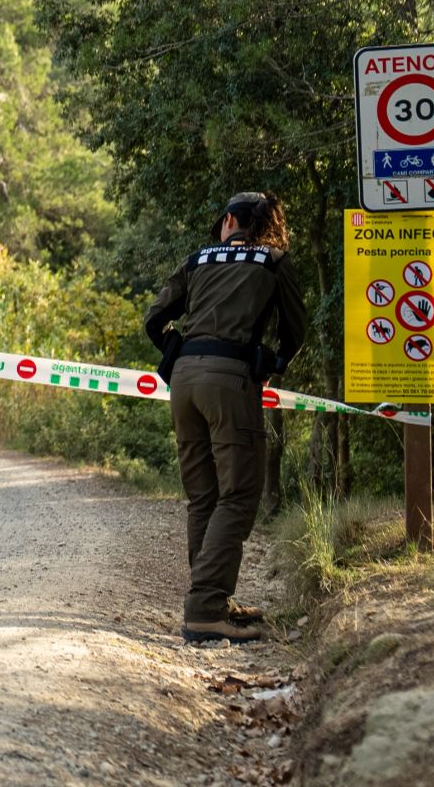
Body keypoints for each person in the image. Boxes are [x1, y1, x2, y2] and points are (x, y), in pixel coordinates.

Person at [143, 191, 307, 643]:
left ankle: (213, 600)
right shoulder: (273, 260)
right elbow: (296, 329)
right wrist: (272, 362)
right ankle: (204, 610)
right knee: (237, 497)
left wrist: (174, 348)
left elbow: (155, 318)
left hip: (183, 382)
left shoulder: (198, 259)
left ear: (230, 221)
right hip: (230, 381)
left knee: (204, 498)